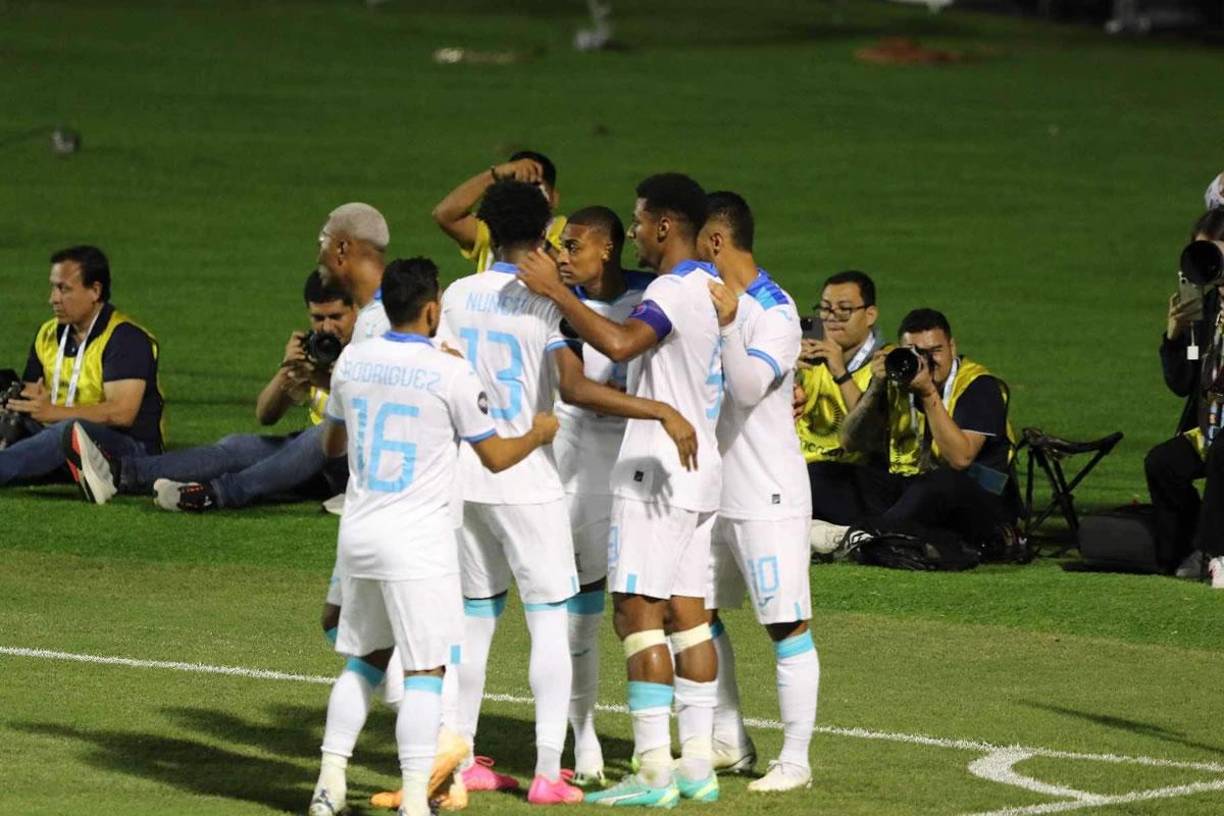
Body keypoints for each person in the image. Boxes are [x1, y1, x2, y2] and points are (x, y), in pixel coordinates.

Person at [307, 256, 561, 816]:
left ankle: (328, 789)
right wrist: (539, 432)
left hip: (359, 533)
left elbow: (330, 448)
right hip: (418, 541)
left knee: (365, 661)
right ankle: (418, 799)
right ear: (430, 309)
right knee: (426, 672)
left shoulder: (352, 360)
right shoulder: (451, 371)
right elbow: (495, 457)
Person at [518, 172, 723, 808]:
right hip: (699, 467)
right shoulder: (707, 286)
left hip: (655, 469)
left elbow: (618, 340)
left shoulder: (668, 289)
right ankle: (698, 767)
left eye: (638, 222)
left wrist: (556, 293)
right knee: (688, 617)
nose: (634, 232)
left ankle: (655, 773)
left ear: (664, 225)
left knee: (636, 614)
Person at [435, 178, 588, 806]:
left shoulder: (455, 294)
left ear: (489, 231)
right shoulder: (546, 299)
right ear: (546, 230)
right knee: (549, 620)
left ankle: (464, 757)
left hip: (465, 473)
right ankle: (550, 772)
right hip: (526, 476)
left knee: (475, 620)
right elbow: (571, 381)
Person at [547, 205, 685, 787]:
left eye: (573, 246)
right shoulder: (558, 303)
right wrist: (657, 407)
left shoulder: (652, 294)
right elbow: (575, 391)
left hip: (641, 467)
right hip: (577, 466)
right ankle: (584, 740)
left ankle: (692, 741)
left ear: (606, 249)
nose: (562, 256)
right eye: (559, 246)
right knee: (581, 607)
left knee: (664, 605)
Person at [700, 191, 820, 793]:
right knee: (697, 613)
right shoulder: (707, 295)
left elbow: (746, 389)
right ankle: (730, 740)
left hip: (767, 495)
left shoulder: (773, 311)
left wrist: (725, 327)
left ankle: (795, 760)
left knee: (785, 624)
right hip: (712, 492)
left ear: (717, 241)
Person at [65, 271, 355, 510]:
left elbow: (359, 408)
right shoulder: (315, 351)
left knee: (323, 432)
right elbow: (265, 415)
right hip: (309, 464)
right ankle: (119, 474)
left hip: (355, 468)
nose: (327, 328)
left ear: (356, 311)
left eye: (336, 317)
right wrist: (286, 370)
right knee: (238, 445)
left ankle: (213, 495)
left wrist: (319, 379)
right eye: (318, 318)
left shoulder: (368, 352)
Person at [820, 308, 1019, 555]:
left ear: (952, 347)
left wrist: (928, 393)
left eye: (935, 351)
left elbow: (960, 459)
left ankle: (869, 537)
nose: (926, 361)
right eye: (916, 353)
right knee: (822, 473)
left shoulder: (979, 386)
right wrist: (876, 389)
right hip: (913, 487)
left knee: (940, 482)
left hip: (979, 501)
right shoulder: (898, 376)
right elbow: (852, 442)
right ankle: (858, 532)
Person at [2, 246, 164, 487]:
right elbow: (34, 391)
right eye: (53, 287)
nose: (53, 298)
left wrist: (53, 412)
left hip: (129, 448)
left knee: (70, 432)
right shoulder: (48, 333)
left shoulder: (125, 339)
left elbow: (122, 413)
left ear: (95, 291)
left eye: (64, 289)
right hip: (58, 432)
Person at [1145, 208, 1224, 584]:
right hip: (1207, 426)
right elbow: (1184, 382)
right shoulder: (1208, 309)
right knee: (1162, 463)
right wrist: (1178, 337)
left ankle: (1215, 553)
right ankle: (1188, 547)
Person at [793, 270, 883, 526]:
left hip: (850, 477)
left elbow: (867, 438)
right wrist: (786, 368)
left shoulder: (882, 363)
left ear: (870, 315)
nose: (831, 319)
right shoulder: (805, 348)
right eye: (824, 309)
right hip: (796, 468)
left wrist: (840, 373)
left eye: (843, 310)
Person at [432, 150, 566, 272]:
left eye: (535, 187)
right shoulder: (491, 231)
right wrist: (493, 175)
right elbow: (445, 215)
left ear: (554, 199)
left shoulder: (568, 232)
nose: (525, 195)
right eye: (517, 187)